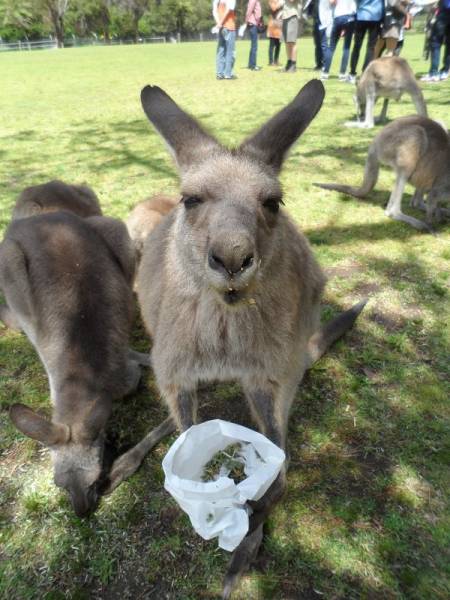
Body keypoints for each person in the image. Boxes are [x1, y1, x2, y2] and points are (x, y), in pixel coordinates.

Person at [347, 0, 384, 82]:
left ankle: (352, 73)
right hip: (376, 18)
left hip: (361, 16)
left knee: (357, 46)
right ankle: (365, 73)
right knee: (371, 48)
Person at [322, 0, 356, 79]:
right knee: (346, 48)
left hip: (338, 16)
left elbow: (331, 2)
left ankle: (325, 73)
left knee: (331, 47)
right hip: (349, 17)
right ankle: (342, 74)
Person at [421, 0, 450, 81]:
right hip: (444, 10)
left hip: (444, 13)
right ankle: (445, 71)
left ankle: (434, 73)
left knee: (435, 43)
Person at [213, 0, 237, 80]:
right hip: (229, 26)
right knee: (231, 51)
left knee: (221, 50)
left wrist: (218, 23)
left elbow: (214, 11)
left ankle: (220, 74)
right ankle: (228, 74)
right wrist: (221, 22)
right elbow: (229, 9)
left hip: (221, 28)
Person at [282, 0, 302, 72]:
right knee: (287, 42)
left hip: (292, 15)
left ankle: (293, 65)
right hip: (285, 16)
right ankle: (289, 62)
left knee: (292, 42)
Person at [318, 0, 336, 79]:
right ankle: (325, 68)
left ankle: (325, 68)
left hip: (325, 21)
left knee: (325, 46)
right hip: (327, 21)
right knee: (328, 47)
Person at [246, 0, 263, 70]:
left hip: (253, 23)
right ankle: (253, 65)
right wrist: (247, 20)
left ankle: (251, 64)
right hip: (253, 24)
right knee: (254, 46)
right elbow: (250, 10)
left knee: (253, 45)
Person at [268, 0, 284, 65]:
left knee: (278, 45)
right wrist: (280, 3)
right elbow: (273, 8)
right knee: (272, 45)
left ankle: (276, 60)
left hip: (279, 25)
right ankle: (271, 61)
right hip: (273, 25)